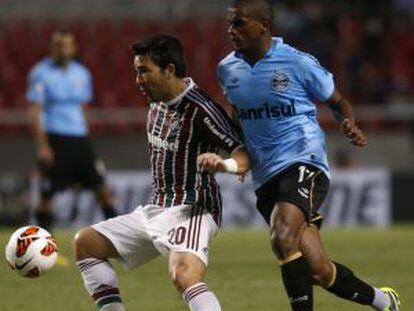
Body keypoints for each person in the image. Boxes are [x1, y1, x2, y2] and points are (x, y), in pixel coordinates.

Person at [199, 0, 400, 310]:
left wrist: (348, 122)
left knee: (282, 237)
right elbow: (238, 114)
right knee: (318, 269)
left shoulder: (297, 62)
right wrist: (238, 151)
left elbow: (337, 100)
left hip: (304, 160)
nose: (231, 30)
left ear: (262, 25)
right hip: (265, 174)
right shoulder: (227, 69)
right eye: (229, 23)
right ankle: (384, 300)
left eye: (238, 23)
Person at [73, 34, 247, 311]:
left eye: (144, 71)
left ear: (169, 70)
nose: (138, 79)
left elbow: (243, 155)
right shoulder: (156, 102)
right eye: (136, 71)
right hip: (157, 209)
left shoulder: (202, 110)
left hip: (194, 209)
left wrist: (224, 165)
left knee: (183, 275)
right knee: (86, 243)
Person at [27, 31, 117, 231]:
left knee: (102, 190)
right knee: (47, 195)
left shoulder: (82, 74)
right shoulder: (40, 73)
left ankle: (118, 242)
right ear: (52, 47)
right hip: (55, 138)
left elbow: (83, 107)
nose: (62, 49)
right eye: (58, 45)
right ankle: (44, 245)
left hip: (80, 140)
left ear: (73, 48)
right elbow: (35, 111)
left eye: (66, 45)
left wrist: (86, 135)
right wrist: (43, 146)